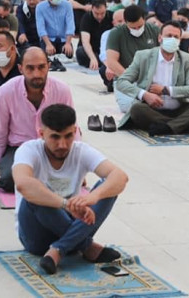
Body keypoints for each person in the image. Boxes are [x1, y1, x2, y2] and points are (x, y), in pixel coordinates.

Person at [13, 104, 129, 275]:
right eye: (55, 137)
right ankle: (87, 246)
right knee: (35, 191)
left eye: (68, 136)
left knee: (108, 187)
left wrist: (93, 197)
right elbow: (23, 184)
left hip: (74, 225)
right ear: (41, 134)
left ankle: (58, 249)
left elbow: (120, 177)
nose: (62, 144)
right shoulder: (28, 150)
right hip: (36, 236)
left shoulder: (81, 150)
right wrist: (66, 205)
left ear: (75, 131)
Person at [0, 47, 75, 192]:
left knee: (68, 180)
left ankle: (42, 177)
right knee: (8, 180)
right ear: (20, 69)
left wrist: (77, 169)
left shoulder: (62, 90)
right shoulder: (6, 91)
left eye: (41, 67)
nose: (36, 74)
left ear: (49, 66)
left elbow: (71, 129)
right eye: (30, 68)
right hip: (18, 148)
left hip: (53, 147)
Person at [116, 21, 189, 135]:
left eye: (176, 37)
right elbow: (121, 82)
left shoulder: (186, 59)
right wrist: (145, 95)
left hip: (180, 109)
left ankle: (168, 127)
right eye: (169, 36)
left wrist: (166, 90)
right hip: (152, 110)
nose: (172, 39)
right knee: (137, 109)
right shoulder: (143, 56)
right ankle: (183, 124)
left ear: (180, 40)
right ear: (160, 38)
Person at [105, 5, 160, 112]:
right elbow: (111, 62)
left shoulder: (154, 30)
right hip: (126, 81)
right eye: (133, 28)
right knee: (131, 108)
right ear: (125, 22)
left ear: (144, 19)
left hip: (151, 80)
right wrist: (131, 79)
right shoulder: (116, 33)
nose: (137, 30)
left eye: (140, 26)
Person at [35, 0, 74, 66]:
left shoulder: (67, 5)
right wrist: (48, 44)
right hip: (49, 39)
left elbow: (70, 25)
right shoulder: (40, 7)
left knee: (69, 54)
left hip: (63, 39)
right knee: (46, 56)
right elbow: (41, 28)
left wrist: (68, 43)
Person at [77, 0, 113, 72]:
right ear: (92, 9)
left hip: (107, 50)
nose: (99, 16)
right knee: (80, 52)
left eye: (102, 13)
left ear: (106, 8)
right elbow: (85, 42)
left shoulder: (111, 16)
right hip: (92, 50)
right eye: (96, 13)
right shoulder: (86, 18)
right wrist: (92, 58)